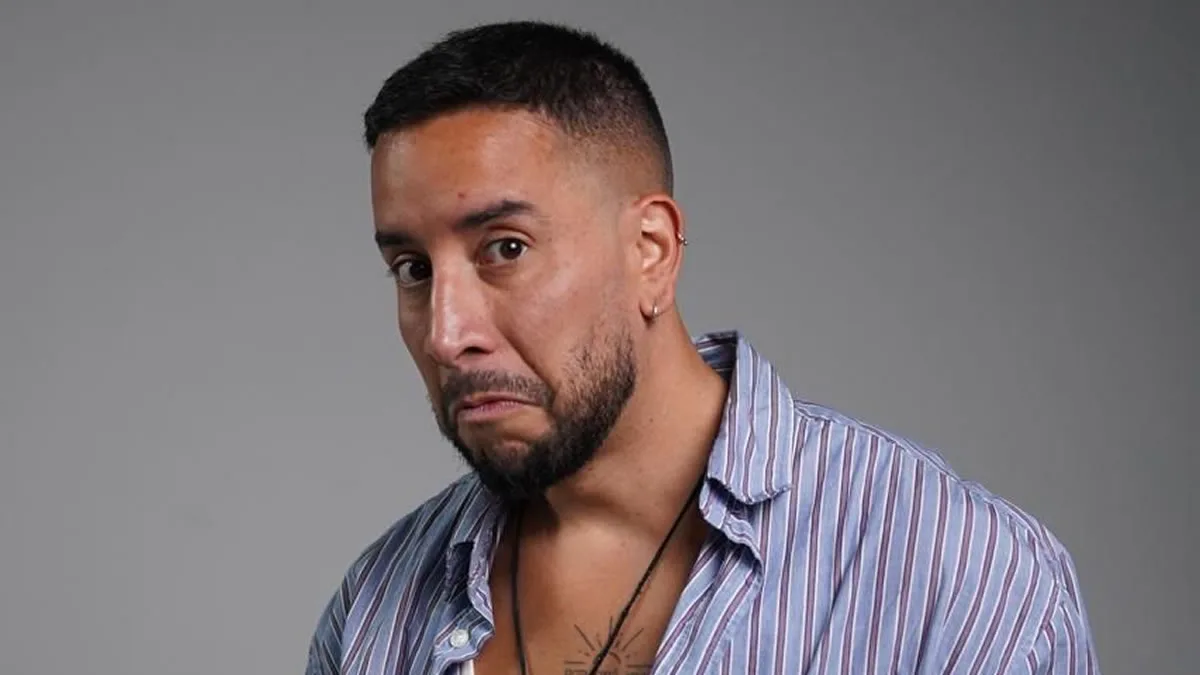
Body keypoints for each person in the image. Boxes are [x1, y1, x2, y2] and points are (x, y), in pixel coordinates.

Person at [306, 20, 1099, 675]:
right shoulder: (375, 609)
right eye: (412, 268)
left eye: (505, 249)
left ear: (650, 250)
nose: (447, 333)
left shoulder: (964, 579)